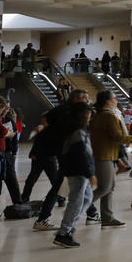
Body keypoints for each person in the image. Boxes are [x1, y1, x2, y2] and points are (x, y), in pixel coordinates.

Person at [32, 89, 91, 231]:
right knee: (70, 186)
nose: (88, 102)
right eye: (86, 99)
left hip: (62, 151)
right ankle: (46, 219)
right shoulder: (69, 114)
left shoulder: (59, 111)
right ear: (77, 99)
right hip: (69, 152)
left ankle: (92, 213)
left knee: (81, 189)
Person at [87, 91, 132, 228]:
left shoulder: (104, 114)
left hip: (107, 155)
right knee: (105, 188)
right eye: (115, 98)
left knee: (109, 188)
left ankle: (107, 218)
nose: (117, 100)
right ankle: (80, 205)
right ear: (108, 102)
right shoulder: (108, 116)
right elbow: (117, 137)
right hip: (103, 156)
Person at [54, 102, 96, 249]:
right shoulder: (77, 130)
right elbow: (81, 154)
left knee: (86, 198)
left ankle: (68, 226)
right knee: (76, 201)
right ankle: (64, 233)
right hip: (78, 171)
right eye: (89, 114)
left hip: (78, 170)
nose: (90, 117)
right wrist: (90, 173)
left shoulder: (75, 128)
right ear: (82, 114)